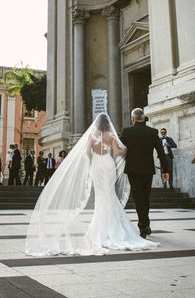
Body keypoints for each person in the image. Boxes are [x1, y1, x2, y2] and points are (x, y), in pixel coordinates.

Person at [25, 113, 159, 256]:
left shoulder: (91, 136)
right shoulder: (110, 136)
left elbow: (87, 153)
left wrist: (91, 163)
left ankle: (99, 229)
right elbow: (118, 152)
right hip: (108, 166)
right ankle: (114, 227)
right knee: (110, 194)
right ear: (108, 124)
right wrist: (128, 150)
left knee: (100, 197)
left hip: (96, 166)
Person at [120, 108, 169, 238]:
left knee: (138, 198)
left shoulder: (127, 131)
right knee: (145, 197)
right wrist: (166, 170)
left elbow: (119, 150)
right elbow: (161, 153)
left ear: (133, 119)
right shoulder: (153, 132)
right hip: (148, 170)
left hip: (133, 169)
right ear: (143, 118)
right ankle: (145, 224)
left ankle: (143, 226)